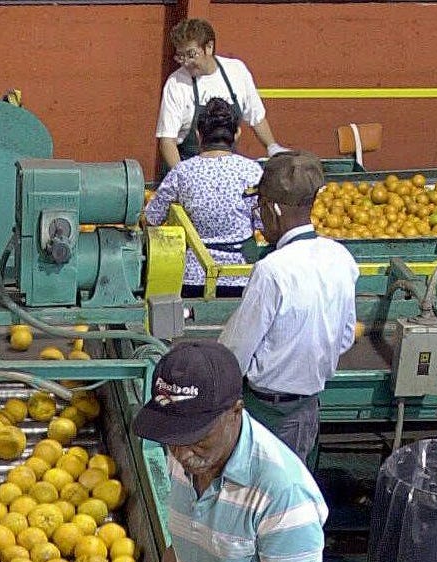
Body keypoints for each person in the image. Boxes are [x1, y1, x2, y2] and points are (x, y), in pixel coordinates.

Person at [121, 341, 346, 562]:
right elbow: (191, 538)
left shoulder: (281, 491)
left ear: (235, 412)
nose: (181, 454)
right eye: (173, 437)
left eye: (196, 436)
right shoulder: (189, 457)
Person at [219, 151, 359, 464]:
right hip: (308, 409)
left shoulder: (274, 269)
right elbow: (346, 337)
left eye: (260, 207)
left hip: (266, 412)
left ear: (274, 209)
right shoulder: (341, 258)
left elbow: (237, 350)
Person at [143, 100, 263, 294]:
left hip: (193, 278)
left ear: (199, 135)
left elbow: (152, 218)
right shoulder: (252, 171)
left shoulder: (182, 172)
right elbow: (263, 223)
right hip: (242, 279)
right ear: (237, 134)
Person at [157, 19, 280, 172]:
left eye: (191, 54)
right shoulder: (176, 83)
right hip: (188, 164)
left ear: (209, 47)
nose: (186, 62)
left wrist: (272, 147)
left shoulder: (237, 71)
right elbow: (167, 141)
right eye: (181, 56)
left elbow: (256, 117)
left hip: (228, 168)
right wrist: (183, 177)